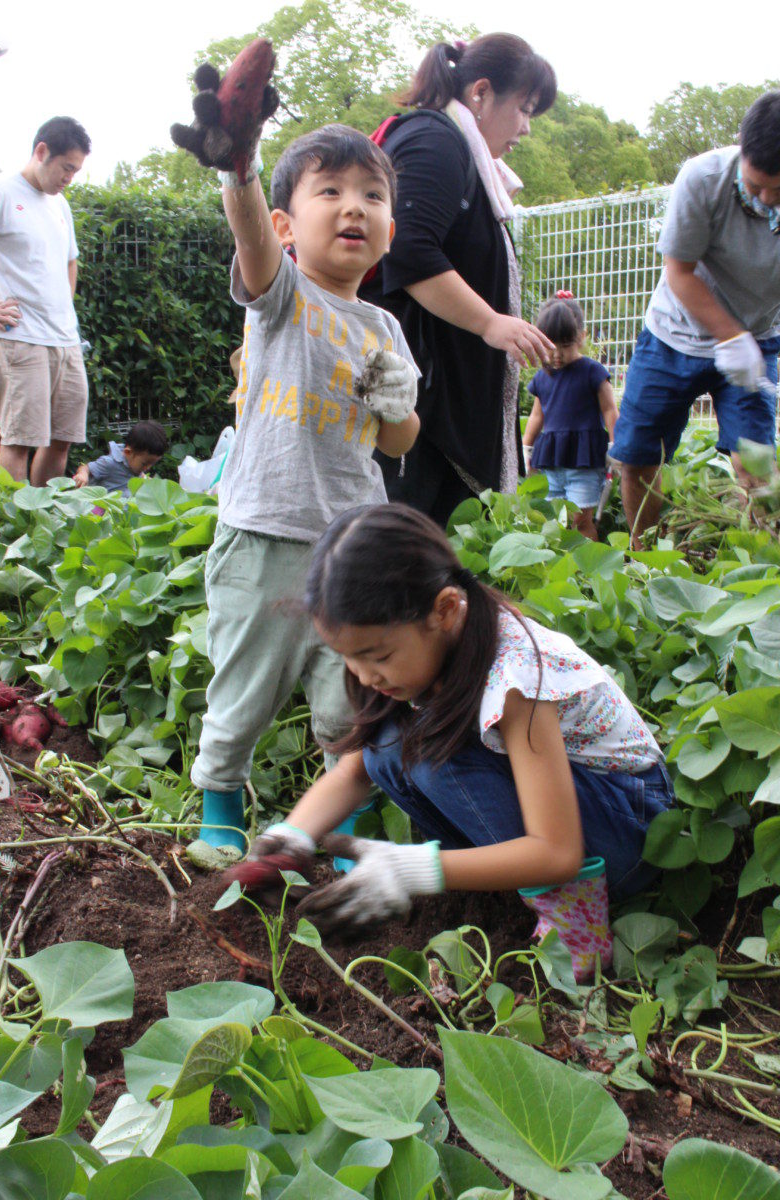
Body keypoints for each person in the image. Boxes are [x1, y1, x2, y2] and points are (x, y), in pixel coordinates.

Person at [244, 503, 674, 981]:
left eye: (378, 655)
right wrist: (289, 840)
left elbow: (557, 852)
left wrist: (407, 870)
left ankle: (575, 923)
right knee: (386, 747)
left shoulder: (516, 679)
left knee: (429, 752)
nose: (365, 675)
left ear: (445, 610)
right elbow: (352, 770)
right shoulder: (419, 658)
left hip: (629, 829)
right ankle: (487, 876)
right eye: (348, 658)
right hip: (569, 817)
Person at [187, 122, 420, 859]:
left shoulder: (384, 325)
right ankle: (221, 799)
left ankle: (334, 825)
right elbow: (252, 244)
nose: (354, 207)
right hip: (265, 536)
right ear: (287, 223)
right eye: (331, 191)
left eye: (373, 196)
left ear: (390, 226)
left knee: (346, 699)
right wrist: (239, 171)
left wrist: (398, 405)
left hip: (351, 547)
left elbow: (397, 442)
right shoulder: (282, 295)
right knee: (247, 688)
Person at [360, 34, 556, 526]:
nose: (527, 128)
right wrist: (490, 321)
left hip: (434, 401)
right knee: (408, 546)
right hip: (423, 400)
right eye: (525, 108)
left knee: (429, 554)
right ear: (481, 93)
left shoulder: (456, 149)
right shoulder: (436, 140)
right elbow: (408, 247)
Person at [612, 91, 780, 547]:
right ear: (742, 147)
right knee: (639, 457)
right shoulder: (703, 177)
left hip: (760, 337)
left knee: (755, 463)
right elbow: (680, 272)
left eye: (779, 191)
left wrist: (752, 340)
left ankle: (758, 563)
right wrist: (731, 335)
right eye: (757, 184)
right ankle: (644, 556)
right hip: (672, 337)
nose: (766, 198)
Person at [0, 116, 92, 486]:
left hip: (65, 341)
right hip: (19, 340)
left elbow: (70, 260)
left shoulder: (60, 205)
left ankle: (45, 524)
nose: (69, 178)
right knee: (20, 441)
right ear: (41, 152)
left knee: (62, 440)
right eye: (66, 168)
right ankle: (12, 533)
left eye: (75, 171)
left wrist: (64, 308)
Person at [522, 293, 618, 540]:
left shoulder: (593, 372)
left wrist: (615, 445)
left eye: (565, 346)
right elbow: (536, 416)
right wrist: (526, 448)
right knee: (554, 520)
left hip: (584, 461)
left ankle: (588, 574)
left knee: (581, 519)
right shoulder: (543, 377)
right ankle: (562, 571)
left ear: (581, 338)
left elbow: (609, 409)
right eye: (550, 347)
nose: (556, 355)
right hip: (551, 460)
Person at [73, 420, 168, 492]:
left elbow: (141, 476)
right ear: (127, 452)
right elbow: (86, 467)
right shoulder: (109, 463)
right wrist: (83, 475)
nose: (148, 468)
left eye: (152, 463)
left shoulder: (135, 466)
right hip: (103, 512)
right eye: (144, 463)